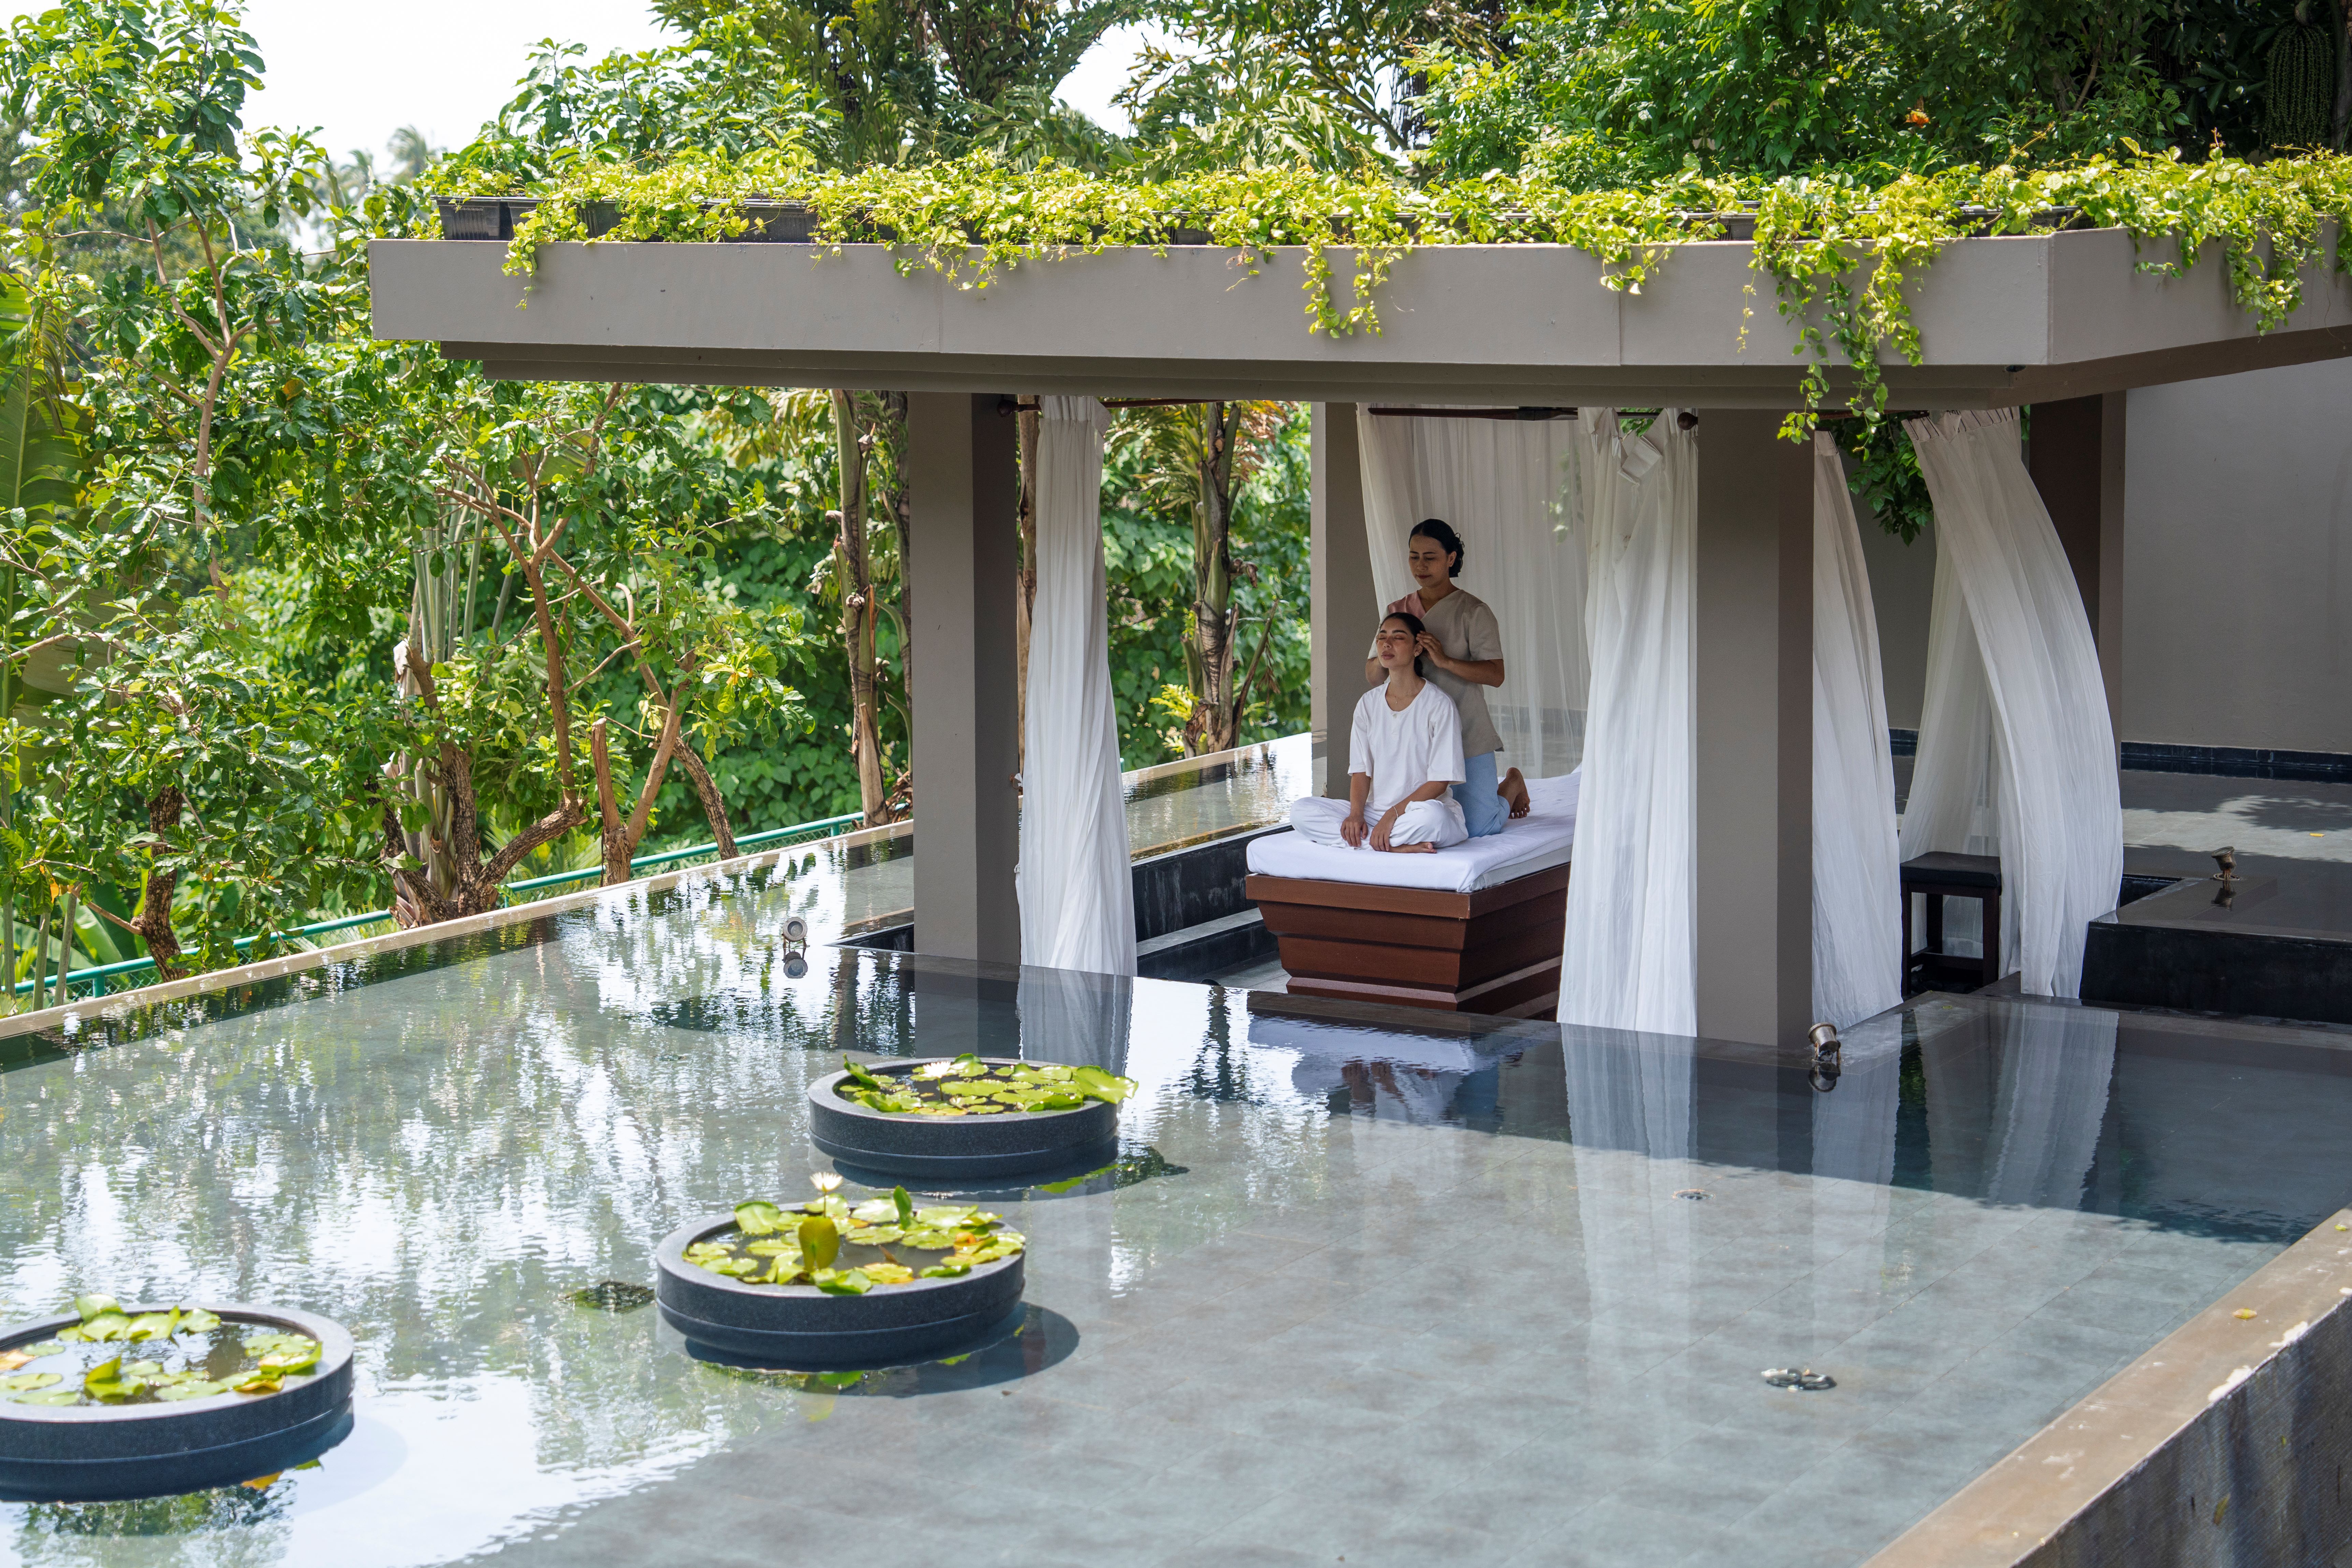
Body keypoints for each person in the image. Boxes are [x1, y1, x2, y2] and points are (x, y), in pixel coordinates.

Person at [1363, 519, 1530, 834]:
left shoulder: (1473, 611)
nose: (1420, 566)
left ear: (1451, 558)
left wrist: (1445, 661)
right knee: (1417, 816)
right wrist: (1389, 650)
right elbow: (1373, 676)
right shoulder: (1397, 610)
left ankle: (1511, 784)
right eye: (1414, 557)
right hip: (1413, 734)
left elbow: (1496, 675)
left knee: (1479, 827)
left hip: (1466, 729)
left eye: (1430, 557)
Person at [1291, 612, 1467, 854]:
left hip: (1418, 812)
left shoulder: (1439, 705)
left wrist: (1392, 815)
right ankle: (1395, 847)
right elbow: (1361, 770)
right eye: (1382, 637)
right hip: (1374, 814)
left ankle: (1373, 843)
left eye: (1398, 637)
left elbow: (1440, 781)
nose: (1387, 644)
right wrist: (1356, 815)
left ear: (1417, 649)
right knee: (1301, 811)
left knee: (1434, 818)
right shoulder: (1368, 703)